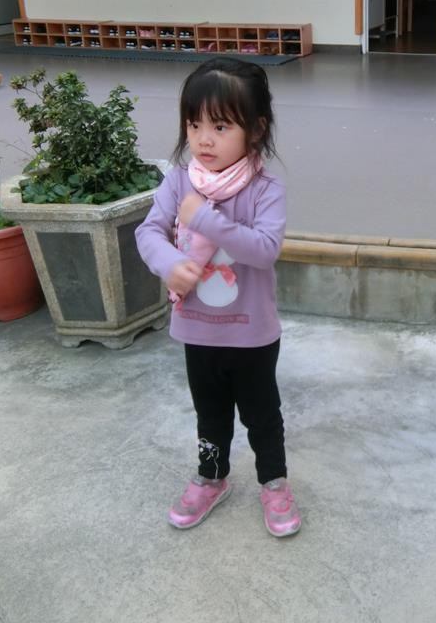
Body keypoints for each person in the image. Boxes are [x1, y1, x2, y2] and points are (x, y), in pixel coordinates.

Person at [136, 57, 300, 538]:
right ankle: (212, 477)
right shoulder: (178, 181)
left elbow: (264, 250)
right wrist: (170, 263)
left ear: (256, 129)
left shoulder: (265, 190)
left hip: (251, 333)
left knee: (261, 415)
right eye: (194, 124)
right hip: (197, 330)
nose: (204, 139)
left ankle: (273, 482)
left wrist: (204, 218)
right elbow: (149, 232)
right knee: (210, 414)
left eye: (221, 126)